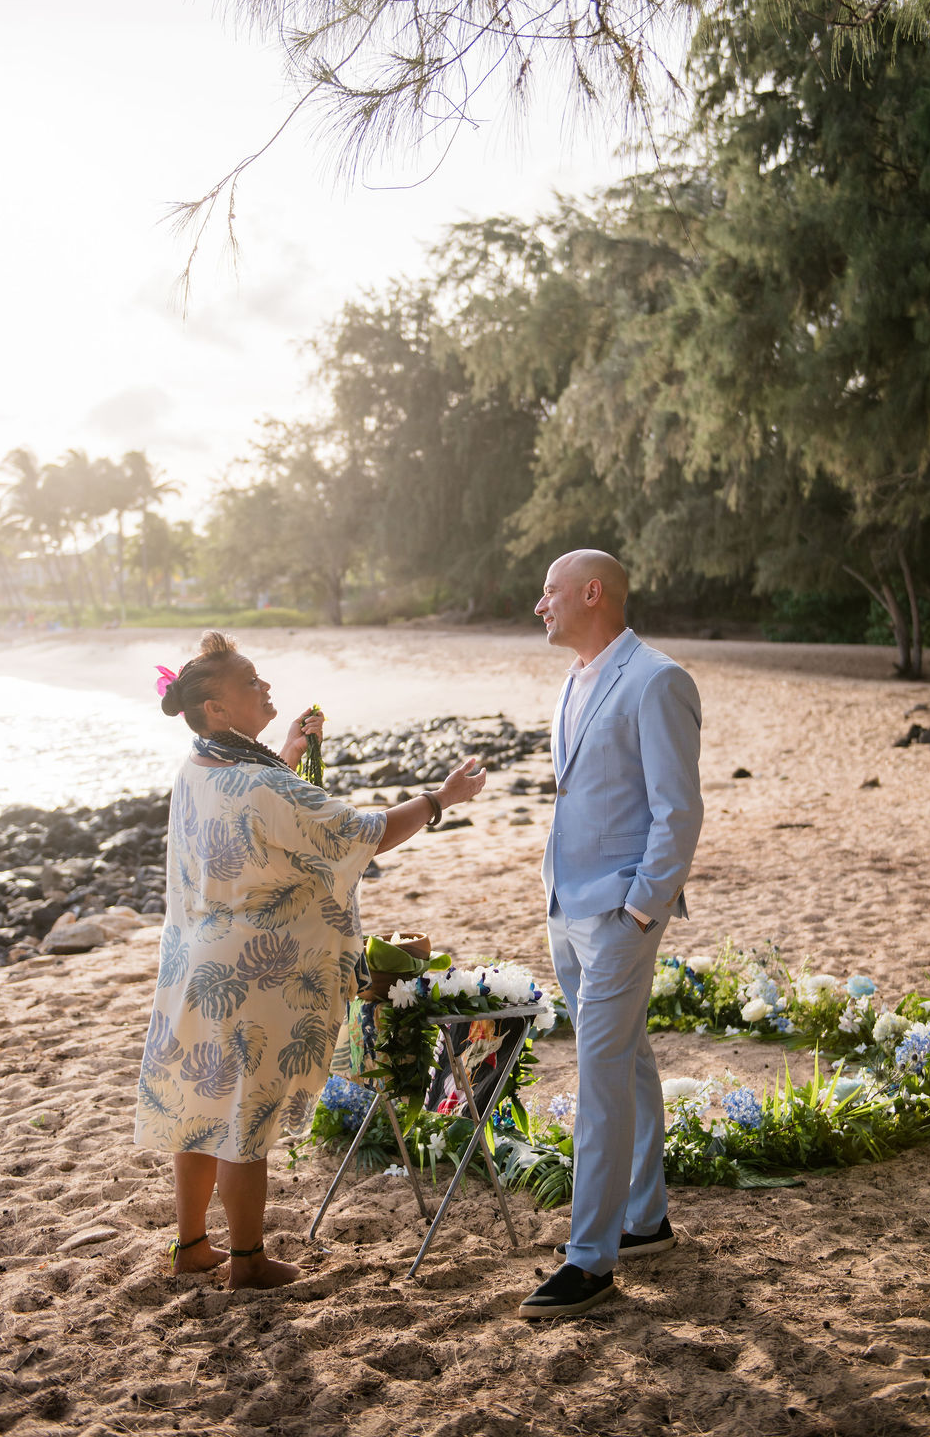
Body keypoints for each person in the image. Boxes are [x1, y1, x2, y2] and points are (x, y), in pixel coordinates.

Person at [134, 630, 485, 1289]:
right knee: (243, 1119)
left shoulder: (199, 765)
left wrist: (289, 753)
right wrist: (441, 799)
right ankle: (248, 1263)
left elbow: (260, 815)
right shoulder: (263, 784)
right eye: (251, 681)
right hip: (251, 976)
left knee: (201, 1108)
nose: (266, 686)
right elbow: (364, 833)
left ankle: (191, 1246)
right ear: (216, 708)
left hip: (194, 963)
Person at [517, 551, 703, 1320]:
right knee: (629, 1061)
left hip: (620, 913)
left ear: (592, 593)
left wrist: (641, 909)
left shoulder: (657, 680)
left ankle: (590, 1261)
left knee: (599, 1076)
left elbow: (678, 810)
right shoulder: (575, 678)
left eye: (551, 592)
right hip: (567, 905)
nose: (540, 605)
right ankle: (646, 1219)